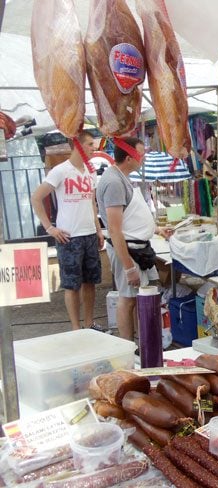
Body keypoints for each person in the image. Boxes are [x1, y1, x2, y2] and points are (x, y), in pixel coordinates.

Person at [96, 137, 173, 341]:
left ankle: (145, 342)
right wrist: (129, 267)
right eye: (141, 154)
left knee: (142, 297)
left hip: (138, 248)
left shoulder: (123, 177)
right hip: (127, 251)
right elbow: (114, 229)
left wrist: (156, 229)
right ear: (129, 158)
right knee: (128, 299)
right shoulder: (113, 182)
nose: (144, 158)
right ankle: (129, 346)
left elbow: (131, 217)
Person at [31, 130, 104, 331]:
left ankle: (89, 324)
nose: (93, 148)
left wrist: (98, 229)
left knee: (90, 282)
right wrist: (50, 228)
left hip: (89, 233)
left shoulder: (91, 171)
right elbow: (36, 197)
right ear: (78, 146)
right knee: (72, 284)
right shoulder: (60, 170)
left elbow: (92, 202)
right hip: (69, 236)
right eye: (89, 144)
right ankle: (75, 328)